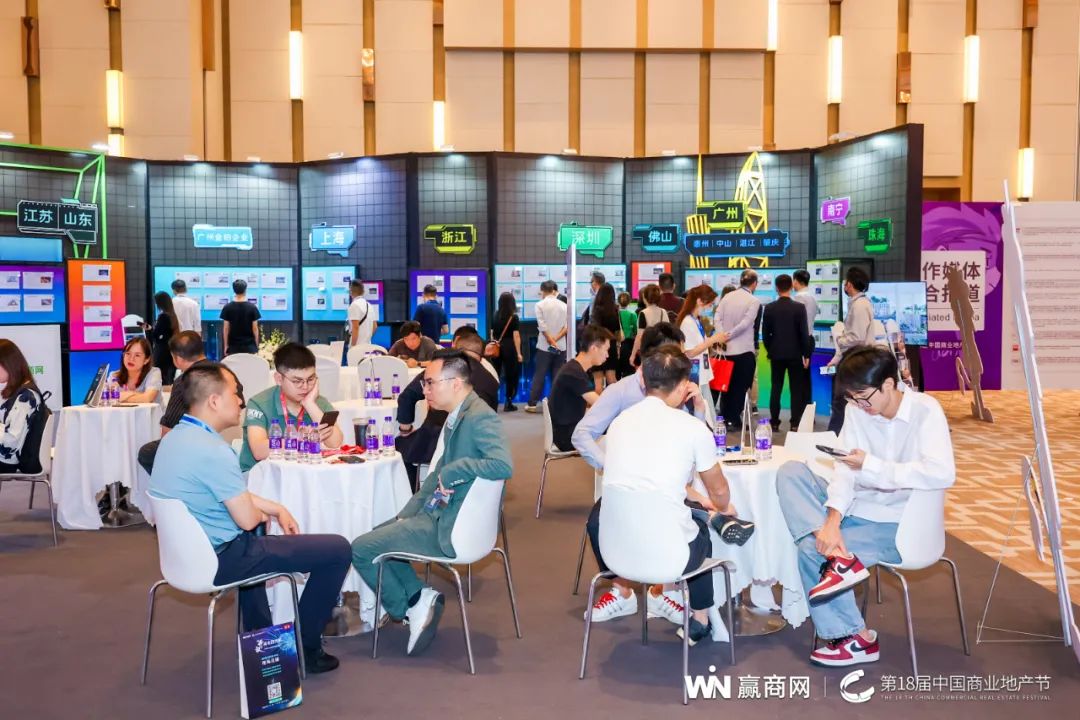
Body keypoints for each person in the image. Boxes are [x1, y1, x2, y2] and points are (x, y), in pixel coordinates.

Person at [149, 363, 352, 673]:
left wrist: (274, 507)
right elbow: (246, 518)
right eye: (235, 393)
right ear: (214, 401)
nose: (241, 401)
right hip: (221, 558)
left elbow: (226, 493)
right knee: (337, 550)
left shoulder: (174, 439)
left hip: (183, 557)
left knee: (255, 537)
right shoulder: (213, 450)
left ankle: (262, 638)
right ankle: (306, 646)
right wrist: (260, 513)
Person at [776, 346, 955, 667]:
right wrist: (831, 522)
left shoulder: (925, 411)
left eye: (863, 397)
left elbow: (941, 472)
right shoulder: (858, 411)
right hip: (859, 509)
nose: (859, 405)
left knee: (810, 552)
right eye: (852, 398)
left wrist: (871, 465)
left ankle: (853, 638)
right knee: (791, 472)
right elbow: (845, 471)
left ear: (888, 384)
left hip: (900, 522)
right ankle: (838, 556)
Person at [350, 350, 513, 657]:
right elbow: (435, 475)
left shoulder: (479, 417)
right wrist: (406, 515)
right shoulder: (458, 415)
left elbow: (502, 465)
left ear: (455, 383)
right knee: (379, 535)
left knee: (361, 548)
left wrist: (456, 469)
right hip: (439, 513)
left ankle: (407, 608)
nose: (424, 390)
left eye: (430, 383)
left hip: (452, 524)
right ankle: (418, 598)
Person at [587, 347, 736, 643]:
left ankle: (632, 593)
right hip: (671, 558)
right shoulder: (692, 428)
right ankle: (700, 618)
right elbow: (719, 490)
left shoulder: (620, 424)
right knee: (701, 528)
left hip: (616, 552)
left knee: (684, 513)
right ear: (683, 387)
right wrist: (721, 507)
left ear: (643, 380)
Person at [572, 322, 706, 472]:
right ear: (656, 357)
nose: (682, 361)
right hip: (635, 477)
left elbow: (695, 442)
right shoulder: (621, 391)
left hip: (675, 474)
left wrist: (699, 408)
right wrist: (610, 466)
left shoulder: (680, 388)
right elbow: (581, 434)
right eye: (677, 355)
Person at [395, 329, 498, 490]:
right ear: (481, 353)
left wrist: (405, 429)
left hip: (435, 441)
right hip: (477, 449)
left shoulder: (443, 368)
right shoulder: (491, 380)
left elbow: (407, 396)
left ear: (457, 348)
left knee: (400, 446)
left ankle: (413, 494)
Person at [238, 343, 343, 472]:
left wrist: (310, 404)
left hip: (300, 473)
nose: (305, 387)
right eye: (297, 381)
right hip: (260, 475)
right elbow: (259, 451)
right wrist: (301, 440)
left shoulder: (318, 403)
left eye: (311, 379)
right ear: (279, 379)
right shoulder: (259, 403)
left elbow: (335, 443)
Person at [137, 331, 212, 475]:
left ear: (177, 358)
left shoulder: (184, 381)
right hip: (224, 438)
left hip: (192, 443)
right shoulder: (224, 372)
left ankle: (174, 484)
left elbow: (169, 426)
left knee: (146, 453)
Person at [548, 325, 612, 452]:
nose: (607, 355)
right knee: (618, 429)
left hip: (569, 429)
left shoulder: (575, 368)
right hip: (567, 436)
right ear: (594, 348)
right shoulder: (574, 373)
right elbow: (600, 404)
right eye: (606, 350)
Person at [713, 270, 762, 430]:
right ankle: (734, 420)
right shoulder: (754, 301)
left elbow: (717, 317)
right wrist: (729, 334)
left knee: (726, 387)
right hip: (744, 352)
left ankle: (726, 419)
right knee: (740, 388)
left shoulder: (727, 297)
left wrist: (722, 334)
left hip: (725, 351)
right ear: (754, 284)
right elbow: (746, 324)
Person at [762, 274, 811, 432]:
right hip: (795, 354)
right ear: (791, 287)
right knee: (796, 389)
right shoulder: (799, 308)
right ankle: (795, 423)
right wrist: (806, 354)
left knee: (776, 387)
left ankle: (774, 422)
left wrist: (771, 349)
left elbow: (765, 334)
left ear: (776, 288)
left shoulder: (769, 308)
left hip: (776, 354)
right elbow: (804, 334)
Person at [828, 266, 874, 434]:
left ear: (850, 284)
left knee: (841, 402)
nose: (844, 285)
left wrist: (839, 339)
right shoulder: (859, 303)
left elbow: (857, 337)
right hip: (854, 358)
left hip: (856, 361)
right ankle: (836, 435)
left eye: (846, 281)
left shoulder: (860, 305)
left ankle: (834, 437)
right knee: (842, 402)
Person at [0, 339, 45, 471]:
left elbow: (10, 441)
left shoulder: (25, 397)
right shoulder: (22, 393)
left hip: (7, 461)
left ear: (8, 364)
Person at [525, 280, 567, 413]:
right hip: (561, 346)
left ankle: (532, 404)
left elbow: (542, 326)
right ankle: (556, 404)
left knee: (540, 374)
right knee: (557, 375)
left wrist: (550, 340)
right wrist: (555, 340)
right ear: (554, 290)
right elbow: (566, 327)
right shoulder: (564, 305)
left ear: (542, 291)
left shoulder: (539, 305)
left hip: (545, 346)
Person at [675, 285, 728, 391]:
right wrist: (713, 340)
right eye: (710, 304)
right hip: (695, 375)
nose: (710, 308)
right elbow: (690, 353)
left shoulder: (696, 320)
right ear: (699, 301)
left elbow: (701, 346)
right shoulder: (688, 322)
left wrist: (714, 345)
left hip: (702, 374)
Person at [792, 269, 819, 419]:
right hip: (809, 339)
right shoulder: (812, 297)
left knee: (798, 382)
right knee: (805, 381)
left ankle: (801, 415)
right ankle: (808, 415)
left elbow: (797, 325)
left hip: (799, 341)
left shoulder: (799, 298)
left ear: (796, 281)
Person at [490, 292, 523, 412]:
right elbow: (516, 336)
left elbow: (492, 332)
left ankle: (492, 401)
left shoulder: (495, 315)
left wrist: (494, 343)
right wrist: (519, 353)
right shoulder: (514, 317)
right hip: (510, 347)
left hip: (497, 346)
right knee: (511, 375)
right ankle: (508, 402)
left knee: (495, 374)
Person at [588, 283, 621, 393]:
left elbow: (594, 328)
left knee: (598, 381)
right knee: (612, 379)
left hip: (598, 345)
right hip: (611, 346)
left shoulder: (596, 310)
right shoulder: (615, 310)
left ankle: (598, 403)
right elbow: (618, 331)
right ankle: (616, 402)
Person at [111, 337, 162, 404]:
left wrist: (121, 396)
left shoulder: (154, 373)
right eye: (128, 353)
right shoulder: (114, 375)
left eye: (137, 355)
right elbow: (106, 398)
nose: (131, 359)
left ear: (146, 360)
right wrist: (135, 395)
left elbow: (148, 398)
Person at [220, 279, 261, 355]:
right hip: (249, 347)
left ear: (234, 290)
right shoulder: (252, 307)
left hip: (233, 347)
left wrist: (226, 346)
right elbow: (255, 328)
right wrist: (256, 345)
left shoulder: (227, 307)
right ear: (245, 290)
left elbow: (226, 328)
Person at [629, 283, 665, 367]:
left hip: (647, 351)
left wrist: (633, 355)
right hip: (662, 351)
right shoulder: (663, 312)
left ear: (644, 298)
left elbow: (639, 337)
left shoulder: (643, 313)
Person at [148, 291, 179, 385]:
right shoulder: (172, 315)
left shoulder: (163, 316)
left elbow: (156, 334)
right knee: (168, 377)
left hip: (162, 351)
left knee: (160, 377)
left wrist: (150, 330)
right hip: (170, 350)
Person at [347, 279, 378, 348]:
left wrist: (353, 346)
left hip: (357, 346)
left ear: (350, 292)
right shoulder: (369, 305)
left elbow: (355, 327)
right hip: (367, 345)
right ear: (363, 292)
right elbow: (375, 326)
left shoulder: (354, 305)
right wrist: (367, 339)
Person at [616, 292, 637, 379]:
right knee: (628, 372)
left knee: (617, 371)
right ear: (629, 302)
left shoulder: (616, 314)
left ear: (618, 301)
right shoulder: (632, 314)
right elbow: (636, 330)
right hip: (629, 345)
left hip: (616, 345)